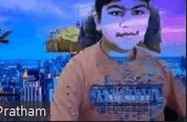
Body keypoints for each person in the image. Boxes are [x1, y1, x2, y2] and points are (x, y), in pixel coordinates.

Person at [50, 0, 186, 121]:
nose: (128, 24)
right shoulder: (77, 70)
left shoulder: (160, 68)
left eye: (138, 12)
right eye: (116, 13)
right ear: (98, 21)